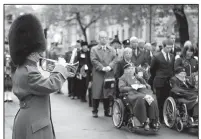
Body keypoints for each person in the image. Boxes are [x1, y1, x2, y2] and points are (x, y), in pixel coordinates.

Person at [9, 14, 70, 139]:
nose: (40, 55)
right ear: (28, 52)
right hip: (35, 124)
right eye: (37, 52)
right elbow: (51, 85)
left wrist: (60, 71)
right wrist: (60, 68)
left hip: (31, 120)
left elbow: (41, 82)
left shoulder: (24, 68)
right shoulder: (29, 71)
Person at [118, 64, 159, 131]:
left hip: (141, 92)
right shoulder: (123, 78)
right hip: (131, 94)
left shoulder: (137, 77)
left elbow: (147, 85)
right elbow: (121, 88)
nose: (131, 70)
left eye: (132, 68)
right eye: (129, 69)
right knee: (141, 98)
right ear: (125, 70)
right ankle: (144, 121)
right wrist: (132, 87)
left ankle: (153, 120)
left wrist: (144, 84)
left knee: (152, 97)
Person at [90, 31, 116, 118]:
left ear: (108, 39)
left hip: (108, 73)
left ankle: (107, 110)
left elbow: (115, 59)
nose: (104, 39)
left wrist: (110, 66)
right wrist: (102, 67)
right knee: (96, 92)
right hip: (98, 73)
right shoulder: (94, 49)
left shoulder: (112, 49)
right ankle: (95, 110)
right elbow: (93, 60)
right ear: (99, 39)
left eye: (105, 37)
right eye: (102, 37)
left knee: (107, 91)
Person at [150, 39, 175, 122]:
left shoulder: (172, 56)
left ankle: (167, 115)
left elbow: (172, 68)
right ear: (163, 47)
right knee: (160, 100)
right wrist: (157, 76)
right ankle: (160, 118)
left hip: (169, 81)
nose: (169, 49)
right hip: (160, 81)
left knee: (168, 98)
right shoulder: (156, 56)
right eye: (168, 48)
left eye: (171, 48)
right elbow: (152, 69)